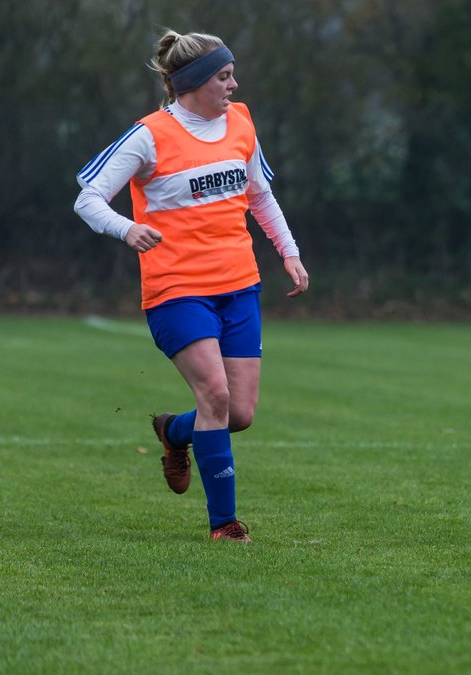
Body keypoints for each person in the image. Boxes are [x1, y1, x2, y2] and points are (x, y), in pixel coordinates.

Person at [74, 30, 309, 542]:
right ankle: (224, 525)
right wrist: (126, 227)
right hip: (177, 289)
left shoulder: (241, 122)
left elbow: (260, 197)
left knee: (239, 414)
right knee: (215, 395)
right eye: (224, 76)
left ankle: (172, 431)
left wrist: (288, 253)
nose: (234, 83)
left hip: (240, 286)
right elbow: (89, 198)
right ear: (196, 82)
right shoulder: (150, 135)